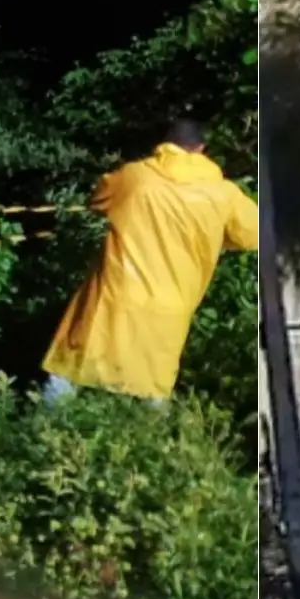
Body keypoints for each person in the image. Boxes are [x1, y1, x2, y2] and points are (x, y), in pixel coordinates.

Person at [42, 118, 258, 404]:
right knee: (153, 383)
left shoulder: (135, 177)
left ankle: (45, 425)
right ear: (201, 149)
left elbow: (98, 200)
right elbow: (253, 236)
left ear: (163, 144)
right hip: (172, 304)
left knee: (70, 369)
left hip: (116, 293)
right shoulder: (224, 193)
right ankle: (150, 432)